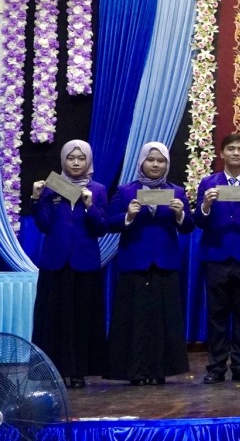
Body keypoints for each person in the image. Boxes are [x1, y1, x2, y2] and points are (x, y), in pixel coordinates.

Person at [105, 142, 192, 385]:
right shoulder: (125, 191)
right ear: (141, 162)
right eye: (150, 160)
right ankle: (135, 372)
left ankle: (158, 371)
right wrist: (128, 215)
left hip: (165, 263)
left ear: (167, 164)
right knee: (134, 318)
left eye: (160, 161)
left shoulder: (176, 191)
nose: (155, 165)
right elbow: (109, 223)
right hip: (134, 261)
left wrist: (180, 214)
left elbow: (188, 227)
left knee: (163, 319)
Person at [29, 140, 108, 387]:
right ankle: (54, 372)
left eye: (81, 158)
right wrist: (37, 199)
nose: (75, 163)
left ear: (88, 161)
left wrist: (89, 205)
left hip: (85, 262)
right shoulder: (51, 187)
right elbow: (44, 225)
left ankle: (78, 372)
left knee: (83, 318)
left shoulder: (98, 189)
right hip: (55, 262)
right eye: (71, 158)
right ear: (63, 160)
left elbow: (101, 228)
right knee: (53, 319)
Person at [195, 133, 240, 384]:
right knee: (216, 315)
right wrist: (205, 205)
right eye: (231, 149)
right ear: (222, 153)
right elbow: (199, 221)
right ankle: (216, 367)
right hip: (215, 256)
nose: (236, 153)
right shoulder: (208, 183)